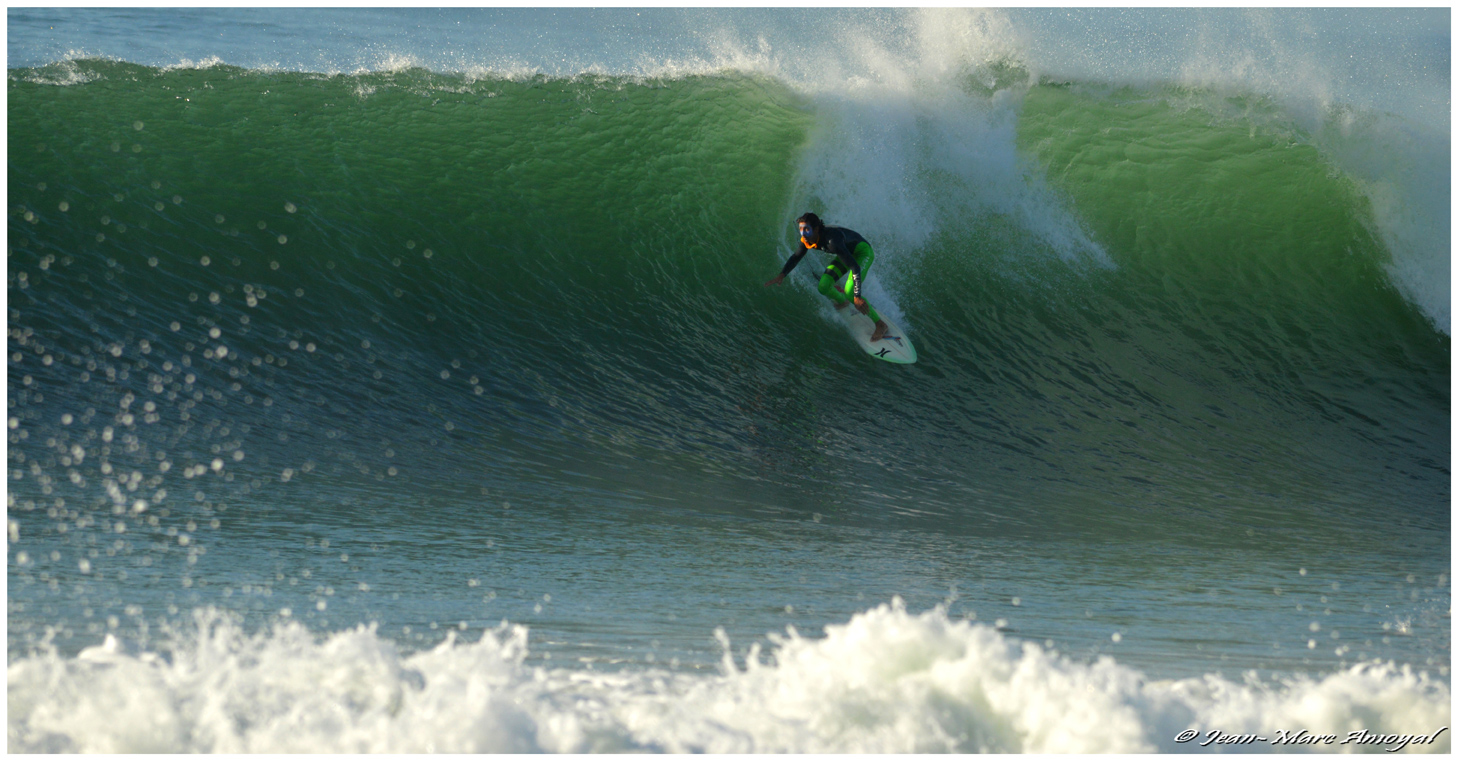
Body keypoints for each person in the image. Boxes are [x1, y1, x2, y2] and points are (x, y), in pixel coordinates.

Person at [764, 212, 890, 341]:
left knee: (851, 292)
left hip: (862, 252)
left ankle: (880, 325)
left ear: (816, 229)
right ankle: (842, 300)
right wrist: (782, 274)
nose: (803, 233)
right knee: (823, 286)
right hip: (846, 253)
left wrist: (857, 297)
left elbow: (855, 267)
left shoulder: (832, 241)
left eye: (806, 229)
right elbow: (796, 256)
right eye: (801, 229)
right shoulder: (807, 239)